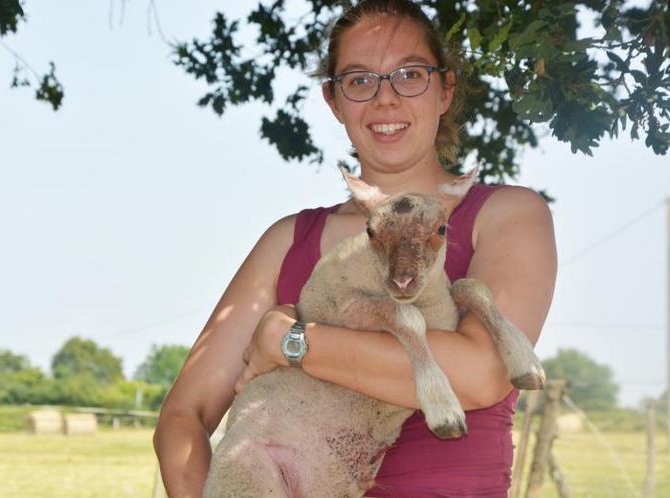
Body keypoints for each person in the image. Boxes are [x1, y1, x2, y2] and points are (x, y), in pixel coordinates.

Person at [154, 1, 557, 496]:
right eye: (360, 80)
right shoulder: (289, 241)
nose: (385, 99)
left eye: (410, 74)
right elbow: (182, 417)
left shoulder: (506, 215)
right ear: (334, 100)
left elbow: (480, 373)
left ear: (445, 89)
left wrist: (288, 341)